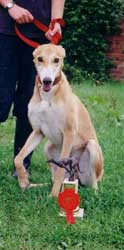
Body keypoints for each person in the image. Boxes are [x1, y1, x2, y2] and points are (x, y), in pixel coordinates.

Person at [0, 0, 65, 176]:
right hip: (5, 30)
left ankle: (21, 166)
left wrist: (56, 21)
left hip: (40, 35)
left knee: (28, 102)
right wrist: (10, 6)